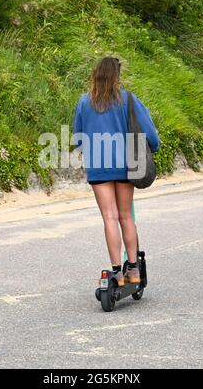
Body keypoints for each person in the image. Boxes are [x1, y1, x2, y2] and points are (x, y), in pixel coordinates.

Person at [73, 57, 160, 287]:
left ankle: (115, 273)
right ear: (116, 77)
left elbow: (77, 138)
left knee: (109, 218)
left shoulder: (84, 103)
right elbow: (150, 133)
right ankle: (132, 268)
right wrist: (154, 146)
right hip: (125, 165)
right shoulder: (128, 99)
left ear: (96, 74)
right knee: (125, 216)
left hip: (98, 168)